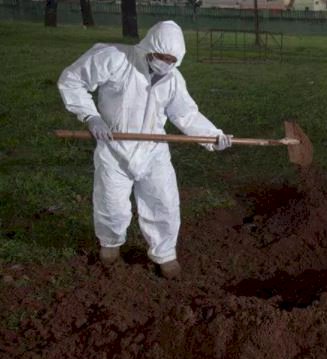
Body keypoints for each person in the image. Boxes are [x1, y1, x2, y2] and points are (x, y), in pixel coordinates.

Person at [58, 21, 230, 279]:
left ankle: (166, 254)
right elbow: (72, 79)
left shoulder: (173, 79)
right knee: (111, 204)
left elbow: (186, 114)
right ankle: (110, 245)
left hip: (153, 149)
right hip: (113, 147)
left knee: (164, 202)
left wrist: (213, 136)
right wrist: (91, 117)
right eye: (162, 57)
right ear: (149, 47)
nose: (166, 63)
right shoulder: (114, 59)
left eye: (172, 59)